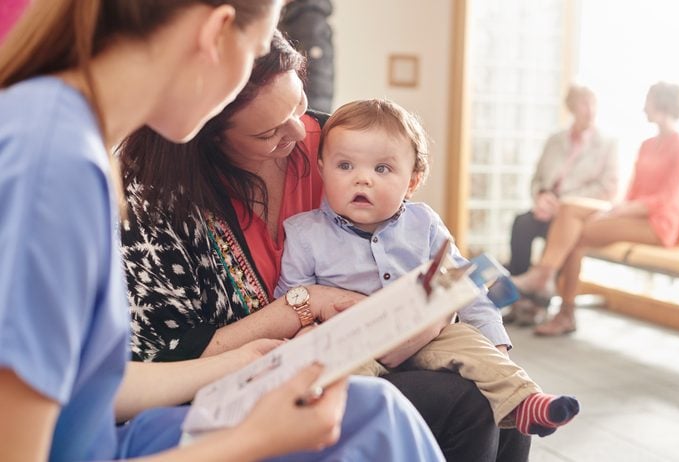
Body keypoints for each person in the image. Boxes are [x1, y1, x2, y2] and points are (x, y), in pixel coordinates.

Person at [0, 2, 443, 461]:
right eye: (256, 49)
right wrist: (253, 440)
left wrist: (247, 362)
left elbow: (88, 387)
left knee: (376, 410)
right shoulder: (53, 168)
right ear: (216, 34)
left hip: (101, 434)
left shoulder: (67, 131)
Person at [120, 32, 532, 462]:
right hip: (273, 376)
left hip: (406, 340)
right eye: (269, 132)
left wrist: (431, 317)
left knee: (510, 406)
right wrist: (307, 304)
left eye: (297, 103)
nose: (300, 132)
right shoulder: (155, 206)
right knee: (461, 402)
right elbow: (163, 359)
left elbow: (430, 255)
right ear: (205, 135)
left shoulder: (342, 146)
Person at [276, 98, 580, 436]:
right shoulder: (304, 233)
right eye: (345, 166)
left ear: (412, 180)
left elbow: (465, 286)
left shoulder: (424, 223)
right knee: (337, 369)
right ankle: (364, 431)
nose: (362, 180)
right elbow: (289, 302)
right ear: (321, 169)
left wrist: (496, 347)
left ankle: (525, 401)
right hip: (353, 341)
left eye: (382, 169)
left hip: (427, 337)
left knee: (467, 339)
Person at [513, 81, 679, 336]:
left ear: (661, 104)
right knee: (570, 213)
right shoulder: (647, 145)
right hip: (632, 216)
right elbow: (634, 190)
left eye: (648, 100)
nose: (644, 106)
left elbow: (670, 200)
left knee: (576, 234)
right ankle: (552, 292)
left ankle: (549, 287)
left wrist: (625, 209)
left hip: (659, 225)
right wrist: (618, 209)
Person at [505, 85, 618, 325]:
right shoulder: (556, 140)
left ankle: (539, 303)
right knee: (521, 224)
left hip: (577, 214)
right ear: (571, 108)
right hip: (548, 207)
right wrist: (542, 196)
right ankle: (517, 299)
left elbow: (608, 189)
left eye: (593, 104)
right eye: (584, 104)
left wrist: (565, 202)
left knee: (561, 233)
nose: (590, 110)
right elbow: (537, 178)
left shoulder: (607, 144)